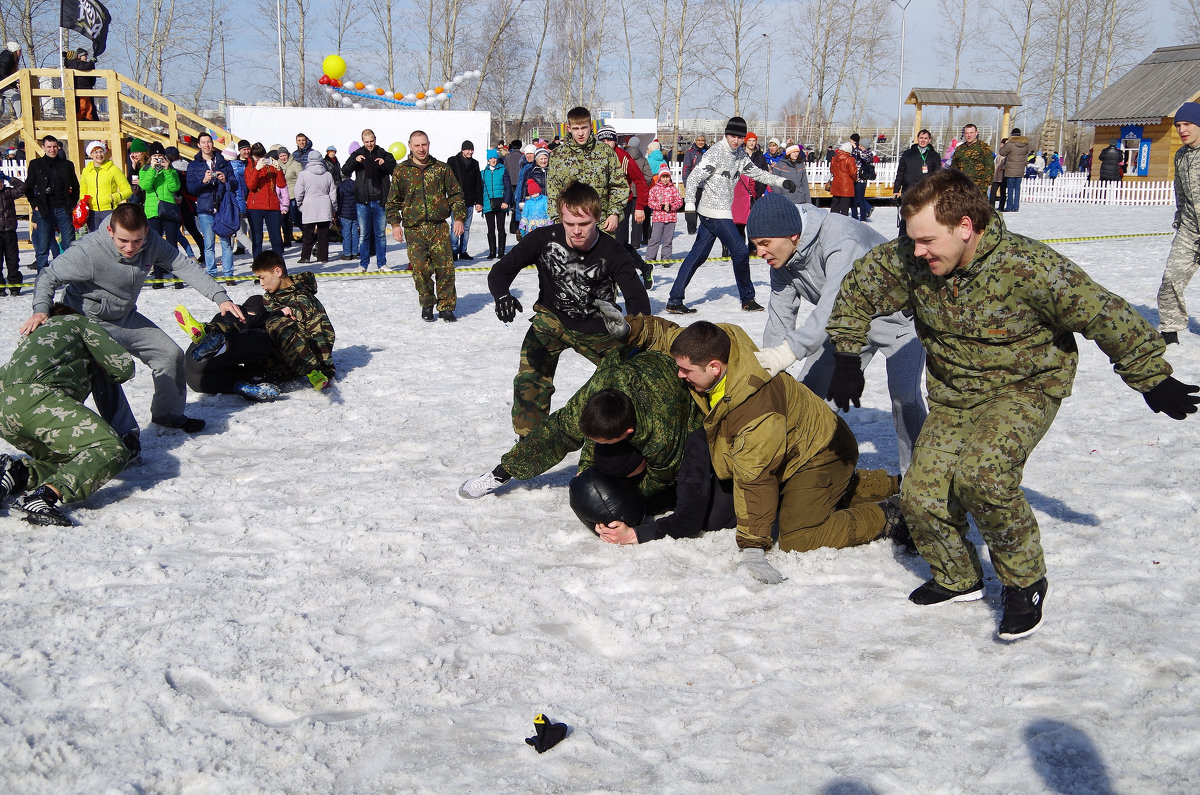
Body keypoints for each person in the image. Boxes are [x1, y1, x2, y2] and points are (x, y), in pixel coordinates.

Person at [826, 168, 1199, 640]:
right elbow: (858, 290)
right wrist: (845, 355)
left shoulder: (1029, 267)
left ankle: (1025, 583)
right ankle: (958, 577)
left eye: (926, 240)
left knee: (983, 475)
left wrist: (1151, 378)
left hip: (1024, 386)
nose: (916, 251)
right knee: (921, 496)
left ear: (965, 226)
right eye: (912, 239)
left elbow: (1104, 312)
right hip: (956, 392)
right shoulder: (912, 258)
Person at [594, 307, 909, 583]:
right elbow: (674, 338)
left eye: (686, 371)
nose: (680, 375)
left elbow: (755, 481)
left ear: (714, 367)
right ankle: (887, 484)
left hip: (820, 454)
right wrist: (632, 329)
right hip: (800, 440)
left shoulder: (755, 413)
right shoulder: (723, 346)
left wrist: (753, 547)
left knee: (798, 537)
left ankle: (893, 516)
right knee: (794, 497)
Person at [458, 350, 738, 544]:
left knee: (700, 507)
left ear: (629, 433)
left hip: (684, 402)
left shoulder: (662, 433)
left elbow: (661, 474)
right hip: (633, 366)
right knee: (577, 442)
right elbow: (555, 432)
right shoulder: (596, 393)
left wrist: (628, 507)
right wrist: (504, 470)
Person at [22, 203, 247, 438]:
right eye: (123, 241)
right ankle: (126, 434)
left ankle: (167, 414)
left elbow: (183, 265)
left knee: (169, 354)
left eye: (137, 241)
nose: (130, 248)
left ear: (146, 232)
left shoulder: (151, 243)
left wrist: (220, 298)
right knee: (107, 369)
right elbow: (48, 276)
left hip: (124, 316)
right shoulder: (88, 252)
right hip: (88, 320)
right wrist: (40, 310)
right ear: (110, 231)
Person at [747, 192, 927, 472]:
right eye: (755, 245)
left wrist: (788, 352)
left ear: (792, 235)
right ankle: (806, 474)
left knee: (905, 398)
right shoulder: (781, 260)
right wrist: (769, 369)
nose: (760, 253)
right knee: (810, 398)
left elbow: (835, 302)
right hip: (847, 325)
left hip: (899, 321)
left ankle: (918, 484)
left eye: (765, 243)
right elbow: (780, 317)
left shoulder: (841, 238)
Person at [487, 180, 651, 436]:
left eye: (584, 224)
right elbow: (501, 270)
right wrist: (501, 295)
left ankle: (623, 436)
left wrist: (634, 331)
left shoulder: (614, 251)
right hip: (552, 319)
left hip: (600, 327)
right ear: (561, 218)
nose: (576, 231)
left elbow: (638, 300)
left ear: (597, 218)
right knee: (529, 379)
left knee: (631, 379)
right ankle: (530, 442)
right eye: (569, 224)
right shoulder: (543, 239)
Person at [0, 307, 134, 526]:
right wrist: (98, 362)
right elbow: (123, 368)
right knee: (111, 448)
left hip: (3, 408)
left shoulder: (34, 335)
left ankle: (17, 473)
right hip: (38, 399)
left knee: (72, 460)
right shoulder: (78, 322)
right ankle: (44, 496)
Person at [668, 116, 793, 314]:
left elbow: (756, 173)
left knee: (697, 256)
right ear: (726, 135)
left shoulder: (740, 154)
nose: (735, 141)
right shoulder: (715, 153)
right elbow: (692, 179)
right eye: (732, 136)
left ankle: (674, 300)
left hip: (719, 211)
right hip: (714, 212)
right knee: (741, 251)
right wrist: (689, 207)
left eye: (739, 137)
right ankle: (748, 298)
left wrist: (781, 181)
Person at [180, 251, 335, 397]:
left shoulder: (302, 299)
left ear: (277, 272)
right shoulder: (269, 297)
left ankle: (221, 343)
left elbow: (320, 333)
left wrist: (323, 369)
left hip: (291, 360)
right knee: (196, 380)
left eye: (262, 277)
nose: (260, 283)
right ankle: (209, 333)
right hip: (261, 357)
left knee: (271, 322)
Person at [386, 129, 465, 322]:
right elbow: (392, 202)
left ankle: (446, 307)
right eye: (417, 145)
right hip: (414, 229)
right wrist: (395, 224)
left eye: (424, 144)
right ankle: (427, 303)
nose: (421, 149)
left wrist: (459, 218)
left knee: (445, 269)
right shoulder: (401, 171)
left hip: (438, 227)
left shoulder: (441, 168)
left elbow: (456, 195)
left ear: (429, 144)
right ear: (410, 147)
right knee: (420, 269)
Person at [1157, 102, 1200, 346]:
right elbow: (1180, 192)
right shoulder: (1181, 155)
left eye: (1187, 124)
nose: (1182, 130)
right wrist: (1180, 217)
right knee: (1171, 277)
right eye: (1178, 126)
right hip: (1190, 229)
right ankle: (1170, 329)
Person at [545, 106, 626, 233]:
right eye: (576, 129)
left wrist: (614, 213)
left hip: (601, 225)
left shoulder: (605, 152)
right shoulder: (558, 155)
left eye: (584, 128)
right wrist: (558, 221)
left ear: (591, 126)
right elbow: (553, 191)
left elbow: (619, 185)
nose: (580, 133)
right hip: (571, 227)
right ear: (569, 129)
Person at [342, 128, 397, 272]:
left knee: (380, 234)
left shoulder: (384, 153)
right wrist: (355, 161)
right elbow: (345, 171)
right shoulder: (357, 154)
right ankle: (363, 264)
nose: (369, 144)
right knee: (364, 234)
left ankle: (382, 264)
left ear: (375, 139)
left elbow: (396, 170)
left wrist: (384, 163)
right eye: (366, 142)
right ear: (362, 141)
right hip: (363, 201)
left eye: (371, 141)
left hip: (380, 200)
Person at [185, 133, 238, 280]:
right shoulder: (194, 165)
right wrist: (203, 181)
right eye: (203, 142)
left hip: (223, 208)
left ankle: (228, 274)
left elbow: (235, 184)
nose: (206, 145)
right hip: (205, 208)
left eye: (209, 142)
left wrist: (224, 180)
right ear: (199, 145)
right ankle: (212, 273)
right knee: (208, 244)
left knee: (226, 243)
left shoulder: (223, 162)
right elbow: (190, 188)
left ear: (212, 144)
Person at [24, 135, 79, 271]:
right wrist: (34, 204)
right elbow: (28, 187)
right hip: (44, 209)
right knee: (42, 246)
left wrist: (71, 204)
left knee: (68, 244)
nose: (52, 149)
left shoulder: (66, 165)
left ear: (58, 147)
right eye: (49, 147)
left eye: (54, 146)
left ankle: (67, 273)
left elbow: (76, 187)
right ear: (43, 147)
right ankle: (42, 276)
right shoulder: (36, 164)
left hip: (62, 208)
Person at [140, 142, 183, 289]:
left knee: (172, 244)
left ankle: (177, 277)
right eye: (155, 156)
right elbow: (145, 186)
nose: (158, 159)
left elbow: (174, 187)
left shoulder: (171, 170)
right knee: (155, 245)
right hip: (153, 211)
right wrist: (152, 169)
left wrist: (167, 170)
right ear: (149, 157)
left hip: (169, 209)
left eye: (160, 156)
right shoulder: (145, 169)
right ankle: (158, 278)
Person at [596, 126, 647, 247]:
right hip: (600, 205)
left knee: (616, 241)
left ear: (615, 141)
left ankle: (618, 264)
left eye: (609, 140)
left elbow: (640, 181)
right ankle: (640, 265)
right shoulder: (595, 157)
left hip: (621, 205)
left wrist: (639, 207)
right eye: (603, 141)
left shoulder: (624, 157)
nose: (606, 144)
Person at [242, 142, 285, 258]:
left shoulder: (271, 166)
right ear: (253, 156)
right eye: (257, 157)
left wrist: (279, 169)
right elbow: (251, 186)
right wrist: (256, 169)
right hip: (255, 207)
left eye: (262, 156)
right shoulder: (249, 168)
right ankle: (258, 268)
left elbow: (281, 185)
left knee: (276, 238)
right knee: (257, 238)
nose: (260, 159)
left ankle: (279, 266)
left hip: (272, 206)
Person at [80, 141, 132, 233]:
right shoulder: (86, 171)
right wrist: (83, 204)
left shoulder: (113, 169)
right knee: (94, 239)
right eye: (95, 152)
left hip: (108, 211)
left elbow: (128, 190)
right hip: (92, 212)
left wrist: (113, 197)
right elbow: (83, 190)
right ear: (90, 155)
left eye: (101, 151)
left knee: (109, 237)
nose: (99, 154)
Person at [295, 153, 338, 264]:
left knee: (308, 234)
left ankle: (305, 257)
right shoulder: (328, 175)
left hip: (309, 205)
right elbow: (333, 193)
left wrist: (300, 204)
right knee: (323, 234)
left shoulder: (303, 174)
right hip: (325, 206)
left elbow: (298, 192)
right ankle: (323, 257)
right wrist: (334, 207)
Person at [447, 140, 484, 260]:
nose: (470, 152)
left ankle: (463, 251)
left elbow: (478, 183)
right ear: (462, 150)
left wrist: (479, 202)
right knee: (455, 226)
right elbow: (447, 180)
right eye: (468, 149)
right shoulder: (453, 161)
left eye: (472, 149)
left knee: (466, 228)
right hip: (456, 199)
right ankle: (453, 251)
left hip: (469, 200)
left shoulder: (475, 163)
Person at [645, 164, 683, 261]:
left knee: (668, 240)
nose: (665, 179)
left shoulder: (673, 189)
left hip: (671, 218)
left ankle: (666, 258)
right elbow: (650, 202)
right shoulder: (654, 189)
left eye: (667, 177)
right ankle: (650, 258)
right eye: (663, 177)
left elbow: (679, 202)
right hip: (658, 218)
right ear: (660, 177)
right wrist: (660, 206)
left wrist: (671, 207)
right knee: (655, 239)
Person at [481, 148, 513, 259]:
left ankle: (501, 252)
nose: (493, 160)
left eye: (495, 158)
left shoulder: (503, 170)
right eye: (491, 158)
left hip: (501, 204)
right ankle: (492, 251)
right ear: (488, 160)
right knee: (490, 228)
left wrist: (506, 202)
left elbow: (508, 188)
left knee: (500, 228)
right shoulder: (483, 173)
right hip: (488, 204)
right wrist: (479, 203)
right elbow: (480, 189)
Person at [950, 124, 994, 196]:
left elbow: (990, 168)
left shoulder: (984, 148)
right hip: (962, 188)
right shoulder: (959, 149)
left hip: (978, 188)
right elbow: (954, 168)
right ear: (964, 134)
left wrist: (984, 186)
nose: (969, 135)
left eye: (971, 133)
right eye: (967, 133)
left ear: (976, 133)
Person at [998, 128, 1033, 212]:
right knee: (1017, 188)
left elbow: (1002, 152)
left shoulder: (1010, 144)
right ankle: (1016, 206)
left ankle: (1009, 206)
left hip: (1010, 170)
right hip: (1020, 170)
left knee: (1010, 189)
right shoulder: (1025, 145)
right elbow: (1026, 154)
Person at [0, 169, 24, 295]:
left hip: (9, 231)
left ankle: (15, 286)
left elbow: (23, 187)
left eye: (0, 181)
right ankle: (0, 288)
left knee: (13, 260)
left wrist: (10, 179)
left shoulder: (8, 192)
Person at [64, 48, 97, 120]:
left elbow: (92, 81)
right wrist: (91, 63)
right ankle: (84, 120)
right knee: (82, 107)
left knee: (88, 108)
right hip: (81, 91)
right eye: (85, 55)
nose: (86, 57)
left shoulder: (82, 66)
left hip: (86, 91)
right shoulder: (75, 64)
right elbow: (84, 66)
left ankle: (90, 120)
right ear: (79, 56)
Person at [849, 133, 875, 221]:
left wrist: (856, 148)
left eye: (861, 146)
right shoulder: (856, 152)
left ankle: (863, 217)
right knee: (853, 200)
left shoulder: (868, 153)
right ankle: (854, 217)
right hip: (854, 178)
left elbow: (864, 156)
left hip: (861, 180)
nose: (860, 147)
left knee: (860, 199)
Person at [827, 141, 856, 217]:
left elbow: (832, 170)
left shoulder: (834, 158)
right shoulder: (850, 159)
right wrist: (855, 179)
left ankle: (833, 220)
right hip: (846, 184)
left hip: (836, 183)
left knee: (835, 204)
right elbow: (853, 172)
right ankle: (843, 223)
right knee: (844, 207)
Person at [336, 171, 358, 262]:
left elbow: (339, 201)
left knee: (346, 233)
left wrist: (337, 213)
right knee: (355, 233)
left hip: (344, 213)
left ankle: (347, 253)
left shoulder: (340, 187)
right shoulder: (356, 185)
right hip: (355, 212)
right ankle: (355, 252)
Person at [0, 42, 21, 120]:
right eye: (19, 51)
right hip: (2, 84)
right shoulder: (7, 57)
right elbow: (2, 74)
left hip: (2, 84)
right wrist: (15, 84)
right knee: (16, 96)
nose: (20, 54)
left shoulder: (6, 56)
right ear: (15, 51)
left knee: (0, 108)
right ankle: (21, 117)